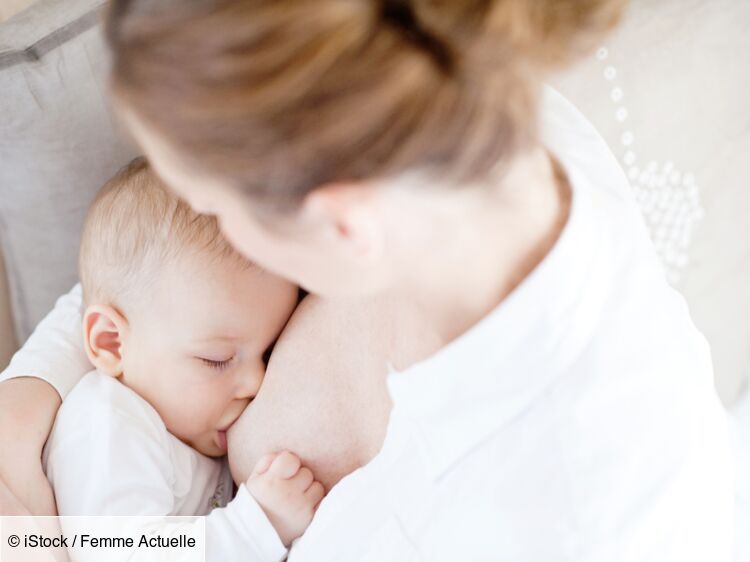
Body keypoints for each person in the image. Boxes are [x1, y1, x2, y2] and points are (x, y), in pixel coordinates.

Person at [0, 1, 735, 560]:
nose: (247, 380)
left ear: (339, 226)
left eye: (216, 205)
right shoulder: (455, 95)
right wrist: (33, 388)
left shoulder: (502, 515)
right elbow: (157, 270)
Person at [44, 158, 323, 559]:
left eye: (268, 352)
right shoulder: (109, 424)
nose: (256, 382)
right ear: (111, 343)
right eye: (217, 359)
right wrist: (256, 525)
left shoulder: (184, 426)